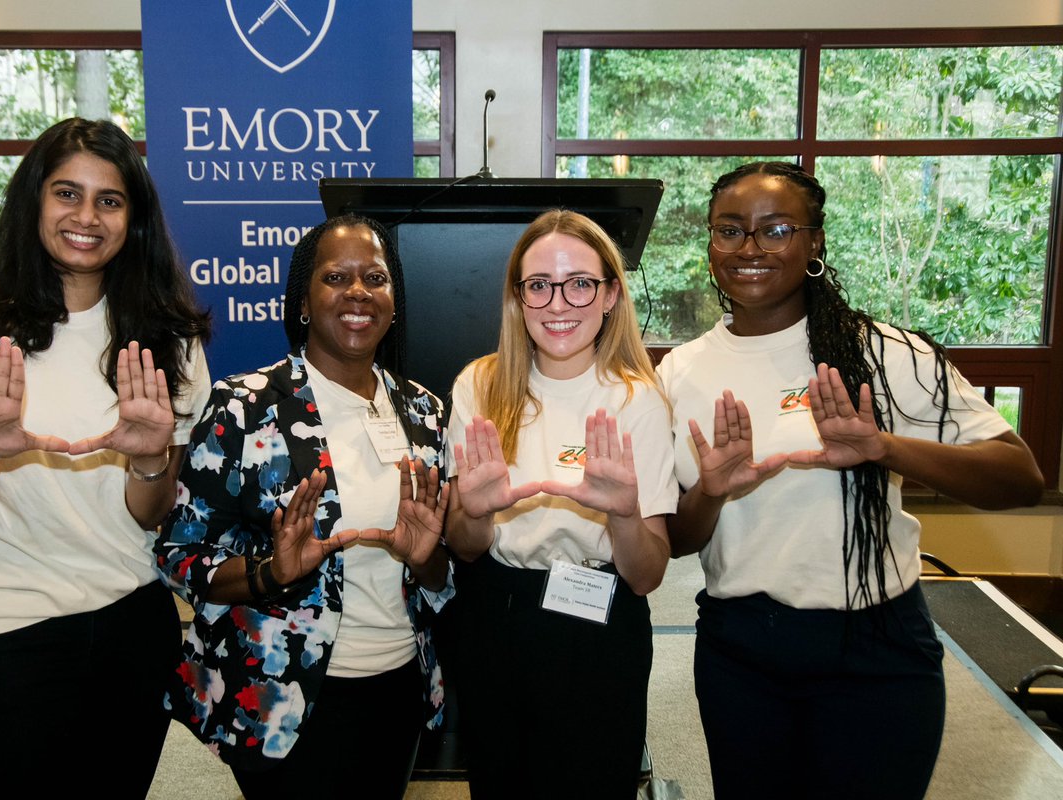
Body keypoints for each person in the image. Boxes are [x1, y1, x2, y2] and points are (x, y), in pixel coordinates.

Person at [658, 161, 1045, 800]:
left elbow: (1020, 477)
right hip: (742, 650)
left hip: (878, 644)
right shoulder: (680, 373)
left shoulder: (885, 353)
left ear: (815, 243)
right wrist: (712, 488)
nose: (749, 249)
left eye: (776, 229)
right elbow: (674, 539)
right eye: (730, 230)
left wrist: (884, 448)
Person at [0, 117, 212, 797]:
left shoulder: (165, 343)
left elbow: (150, 517)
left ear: (134, 220)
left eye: (109, 201)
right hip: (0, 630)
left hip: (132, 625)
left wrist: (151, 458)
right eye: (67, 194)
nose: (86, 216)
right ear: (34, 201)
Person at [155, 214, 451, 798]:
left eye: (376, 277)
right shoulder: (244, 406)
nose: (359, 291)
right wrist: (270, 574)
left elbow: (441, 577)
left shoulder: (425, 413)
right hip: (281, 695)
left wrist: (426, 560)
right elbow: (177, 555)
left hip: (398, 685)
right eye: (336, 277)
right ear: (304, 302)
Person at [445, 209, 677, 798]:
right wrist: (472, 511)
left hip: (600, 624)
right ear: (518, 298)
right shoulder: (480, 384)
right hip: (495, 615)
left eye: (580, 283)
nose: (558, 304)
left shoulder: (638, 401)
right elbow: (465, 548)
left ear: (610, 296)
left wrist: (624, 514)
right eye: (538, 285)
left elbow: (648, 574)